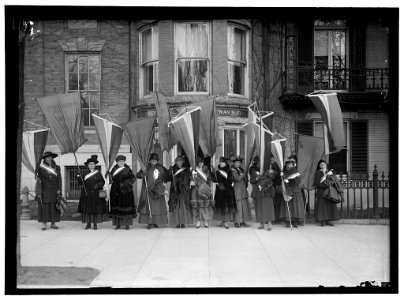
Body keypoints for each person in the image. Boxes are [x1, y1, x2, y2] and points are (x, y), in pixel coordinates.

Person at [136, 153, 169, 229]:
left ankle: (156, 222)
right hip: (148, 190)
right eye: (152, 159)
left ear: (157, 160)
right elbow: (138, 175)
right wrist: (142, 174)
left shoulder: (161, 168)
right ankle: (149, 223)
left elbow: (167, 177)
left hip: (157, 190)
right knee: (148, 207)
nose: (154, 161)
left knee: (157, 207)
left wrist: (168, 174)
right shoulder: (145, 167)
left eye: (155, 160)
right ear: (150, 160)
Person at [77, 155, 106, 230]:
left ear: (95, 165)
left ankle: (95, 224)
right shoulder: (84, 173)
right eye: (89, 164)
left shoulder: (98, 173)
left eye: (92, 164)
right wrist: (78, 175)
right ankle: (88, 224)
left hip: (96, 194)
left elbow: (102, 182)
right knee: (88, 209)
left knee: (95, 209)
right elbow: (81, 182)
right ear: (87, 165)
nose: (91, 166)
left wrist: (98, 185)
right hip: (87, 194)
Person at [109, 155, 137, 230]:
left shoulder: (128, 169)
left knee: (126, 208)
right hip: (116, 191)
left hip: (126, 191)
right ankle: (118, 224)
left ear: (124, 162)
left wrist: (126, 183)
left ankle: (127, 224)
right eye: (119, 161)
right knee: (117, 208)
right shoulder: (113, 170)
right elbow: (111, 178)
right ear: (117, 162)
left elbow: (133, 178)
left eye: (122, 161)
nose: (121, 162)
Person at [36, 151, 62, 230]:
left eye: (51, 157)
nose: (49, 158)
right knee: (45, 207)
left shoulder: (57, 167)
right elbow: (38, 179)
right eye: (47, 157)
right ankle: (44, 224)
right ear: (44, 159)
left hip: (54, 190)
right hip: (45, 190)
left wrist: (59, 189)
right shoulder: (40, 168)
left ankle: (53, 223)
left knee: (53, 207)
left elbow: (59, 179)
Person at [314, 160, 343, 226]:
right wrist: (325, 186)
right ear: (319, 166)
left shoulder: (330, 172)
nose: (322, 165)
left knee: (330, 206)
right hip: (322, 191)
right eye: (320, 164)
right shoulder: (318, 172)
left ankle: (330, 220)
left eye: (323, 163)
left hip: (330, 192)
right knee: (322, 207)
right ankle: (323, 221)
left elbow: (335, 181)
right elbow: (317, 183)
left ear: (326, 164)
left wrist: (332, 184)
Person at [250, 156, 275, 230]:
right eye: (259, 162)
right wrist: (257, 178)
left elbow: (272, 178)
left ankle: (269, 224)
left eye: (261, 162)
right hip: (258, 192)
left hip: (267, 192)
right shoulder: (254, 170)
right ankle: (261, 223)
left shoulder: (269, 170)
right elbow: (251, 181)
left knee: (268, 207)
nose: (260, 164)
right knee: (260, 208)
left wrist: (270, 173)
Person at [167, 156, 193, 228]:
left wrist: (188, 185)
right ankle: (177, 223)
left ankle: (183, 222)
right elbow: (168, 179)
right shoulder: (172, 169)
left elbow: (189, 178)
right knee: (176, 206)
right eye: (178, 161)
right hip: (175, 191)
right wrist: (169, 172)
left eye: (181, 161)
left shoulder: (186, 169)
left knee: (183, 206)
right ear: (176, 161)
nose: (180, 162)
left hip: (184, 190)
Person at [212, 156, 236, 229]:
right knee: (221, 206)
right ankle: (222, 221)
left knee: (226, 207)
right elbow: (215, 180)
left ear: (225, 163)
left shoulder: (229, 171)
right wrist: (212, 173)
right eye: (220, 162)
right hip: (219, 191)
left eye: (223, 162)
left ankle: (226, 222)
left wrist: (224, 185)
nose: (221, 164)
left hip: (227, 191)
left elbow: (231, 180)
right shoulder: (217, 171)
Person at [279, 159, 305, 228]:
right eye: (288, 164)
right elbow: (282, 182)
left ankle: (295, 221)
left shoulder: (296, 172)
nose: (289, 166)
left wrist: (289, 182)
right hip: (287, 191)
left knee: (295, 207)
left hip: (295, 191)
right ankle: (288, 221)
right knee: (288, 206)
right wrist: (282, 177)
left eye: (290, 164)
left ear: (293, 165)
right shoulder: (284, 172)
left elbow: (298, 181)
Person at [190, 157, 213, 228]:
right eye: (199, 162)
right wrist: (192, 178)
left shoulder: (206, 169)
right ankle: (198, 222)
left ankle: (206, 221)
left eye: (202, 162)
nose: (201, 164)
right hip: (196, 190)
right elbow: (192, 179)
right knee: (196, 206)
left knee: (205, 206)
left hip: (204, 189)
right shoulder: (194, 169)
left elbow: (209, 179)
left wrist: (209, 184)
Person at [231, 156, 252, 227]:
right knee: (238, 206)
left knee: (244, 206)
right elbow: (237, 179)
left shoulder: (241, 169)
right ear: (234, 163)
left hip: (243, 189)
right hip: (237, 189)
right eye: (237, 162)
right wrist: (244, 174)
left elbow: (244, 178)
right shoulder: (233, 170)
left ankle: (242, 221)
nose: (238, 164)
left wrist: (246, 177)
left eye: (239, 162)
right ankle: (237, 222)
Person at [270, 154, 282, 223]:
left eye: (272, 159)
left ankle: (276, 218)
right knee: (275, 202)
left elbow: (275, 176)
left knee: (276, 202)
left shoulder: (275, 166)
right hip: (274, 186)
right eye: (271, 159)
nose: (271, 160)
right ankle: (275, 218)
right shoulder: (273, 166)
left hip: (276, 186)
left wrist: (271, 173)